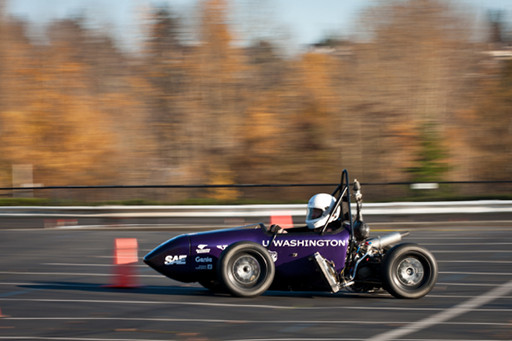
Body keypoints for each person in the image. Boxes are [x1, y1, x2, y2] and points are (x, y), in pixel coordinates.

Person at [270, 193, 341, 234]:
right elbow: (304, 232)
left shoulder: (330, 232)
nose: (313, 215)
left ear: (329, 212)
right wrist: (284, 233)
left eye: (317, 211)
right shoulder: (318, 229)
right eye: (312, 211)